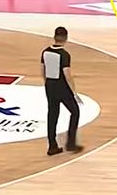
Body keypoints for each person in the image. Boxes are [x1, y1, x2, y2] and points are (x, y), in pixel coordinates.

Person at [41, 27, 83, 156]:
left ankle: (52, 146)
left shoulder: (45, 52)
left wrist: (47, 84)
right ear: (66, 38)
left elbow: (43, 70)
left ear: (54, 37)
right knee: (75, 112)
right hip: (62, 87)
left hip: (50, 86)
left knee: (52, 115)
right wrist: (74, 93)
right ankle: (71, 143)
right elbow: (67, 75)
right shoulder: (64, 55)